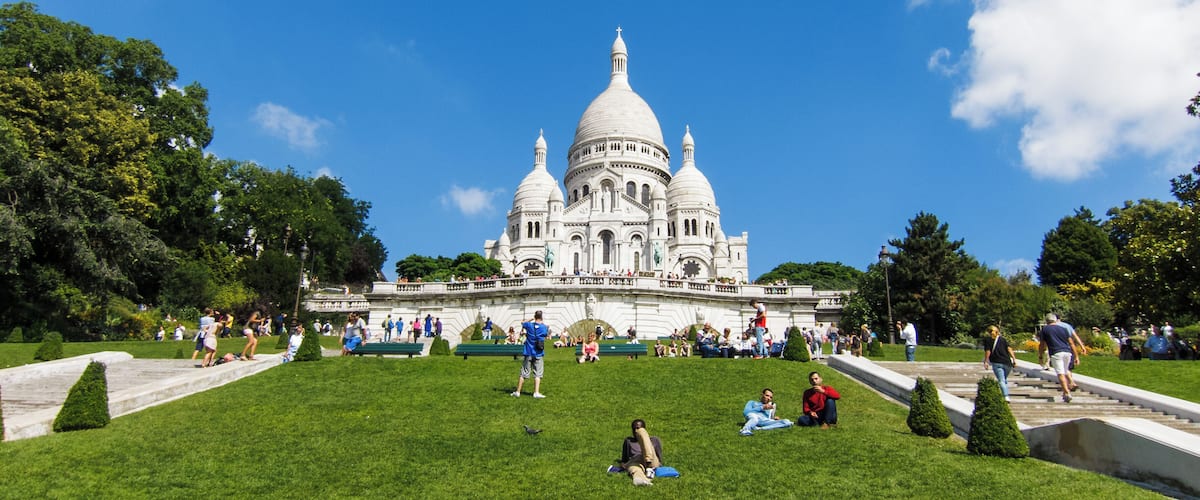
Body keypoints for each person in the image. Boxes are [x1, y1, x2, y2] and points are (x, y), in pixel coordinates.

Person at [1039, 313, 1082, 402]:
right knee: (1065, 371)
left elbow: (1042, 344)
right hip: (1067, 352)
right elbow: (1071, 343)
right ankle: (1068, 387)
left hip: (1056, 353)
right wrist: (1076, 356)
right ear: (1055, 320)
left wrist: (1040, 355)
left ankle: (1066, 393)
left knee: (1060, 373)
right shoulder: (1063, 329)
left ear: (1046, 321)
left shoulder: (1045, 329)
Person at [612, 419, 662, 486]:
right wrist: (624, 465)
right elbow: (625, 459)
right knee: (635, 469)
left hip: (652, 461)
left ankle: (648, 464)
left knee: (642, 435)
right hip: (636, 462)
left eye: (638, 428)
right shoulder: (629, 441)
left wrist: (640, 432)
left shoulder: (654, 440)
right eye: (634, 429)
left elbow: (659, 459)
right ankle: (641, 480)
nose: (636, 431)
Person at [512, 310, 549, 398]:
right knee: (538, 374)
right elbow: (546, 335)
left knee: (523, 372)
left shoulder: (529, 325)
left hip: (528, 351)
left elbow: (522, 322)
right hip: (538, 353)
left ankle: (518, 392)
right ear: (541, 317)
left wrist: (531, 319)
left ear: (535, 317)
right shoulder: (544, 327)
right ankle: (536, 392)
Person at [983, 325, 1017, 401]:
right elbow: (1009, 349)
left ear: (988, 332)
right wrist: (1014, 359)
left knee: (1001, 380)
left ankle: (1006, 396)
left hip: (996, 362)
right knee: (1004, 380)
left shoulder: (987, 340)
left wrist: (986, 361)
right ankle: (1003, 393)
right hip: (1007, 362)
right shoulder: (1003, 339)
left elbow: (988, 351)